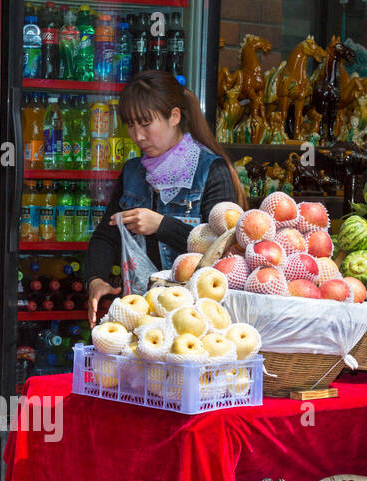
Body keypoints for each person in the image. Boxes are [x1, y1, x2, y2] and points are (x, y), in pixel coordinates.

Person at [83, 70, 246, 325]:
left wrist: (161, 226)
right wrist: (95, 279)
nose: (137, 136)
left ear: (174, 116)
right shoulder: (132, 171)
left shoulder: (210, 170)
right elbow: (107, 235)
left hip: (194, 316)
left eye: (146, 124)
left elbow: (228, 248)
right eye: (131, 124)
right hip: (139, 313)